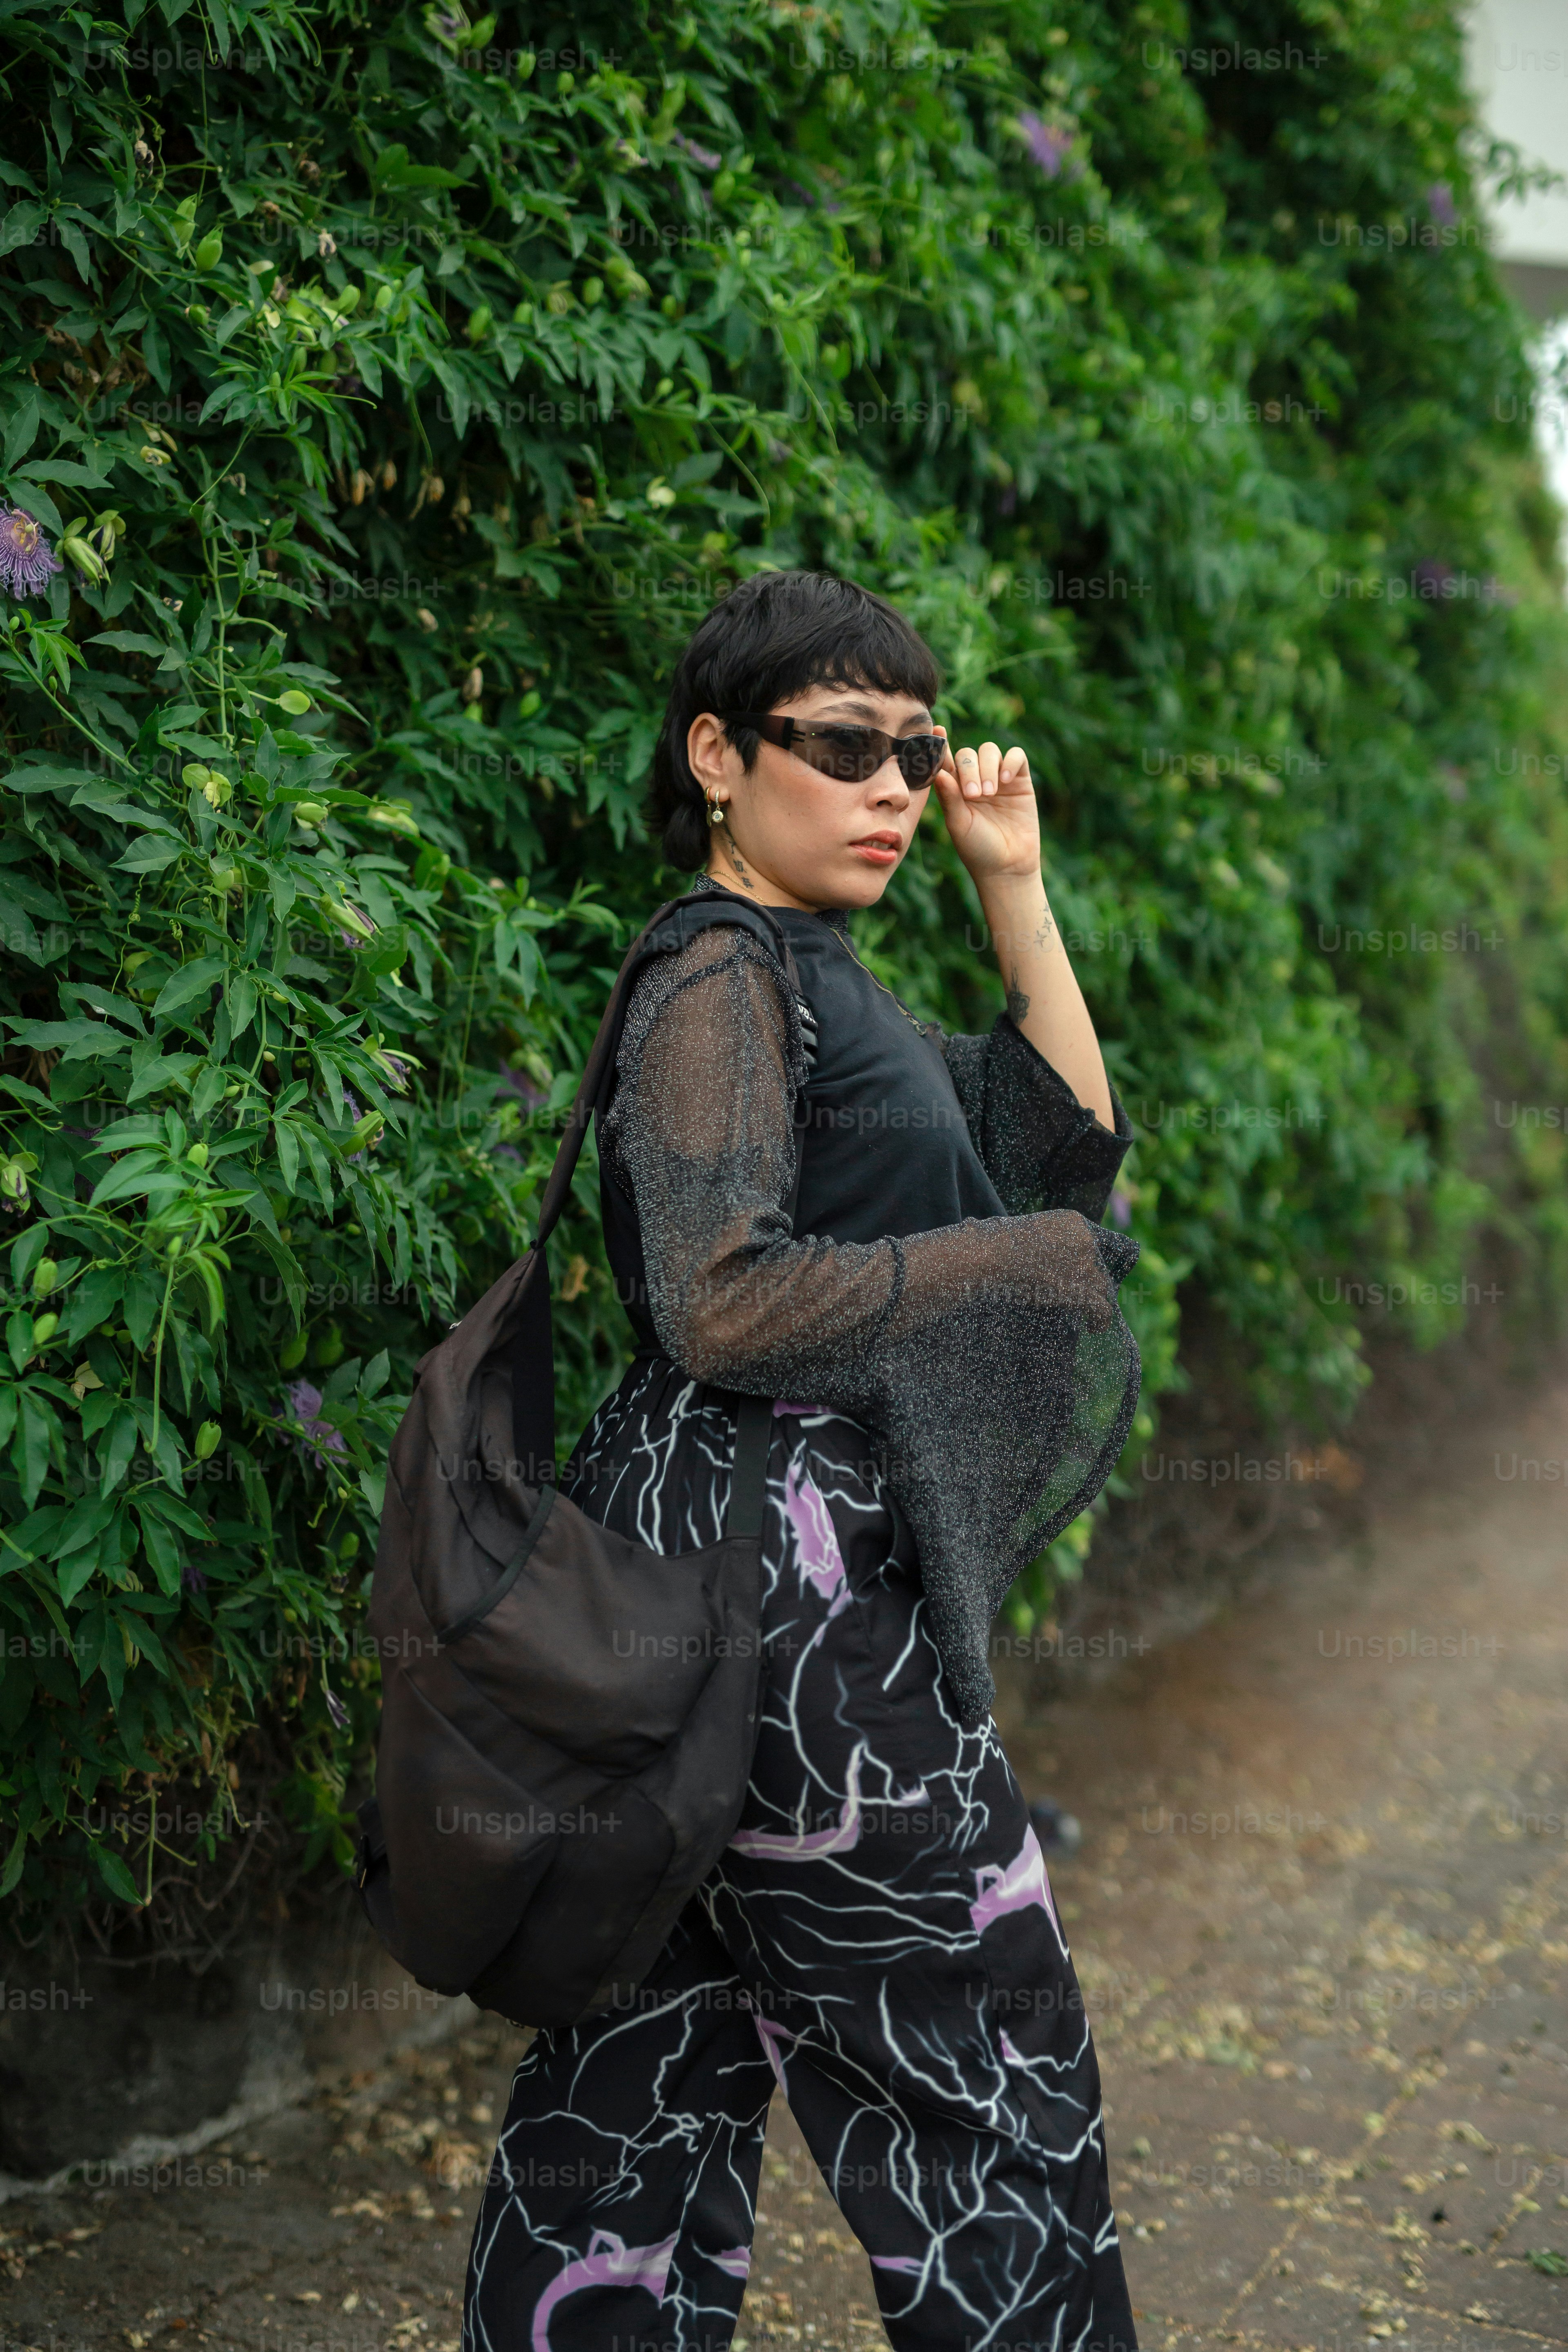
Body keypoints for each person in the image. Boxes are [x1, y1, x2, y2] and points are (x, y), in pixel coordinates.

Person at [463, 571, 1142, 2352]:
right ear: (716, 755)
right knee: (984, 2074)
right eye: (845, 748)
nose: (895, 788)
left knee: (642, 2097)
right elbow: (716, 1299)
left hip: (730, 1601)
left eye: (914, 751)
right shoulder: (717, 970)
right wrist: (1009, 1269)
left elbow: (1067, 1181)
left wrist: (1016, 885)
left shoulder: (828, 981)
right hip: (787, 1613)